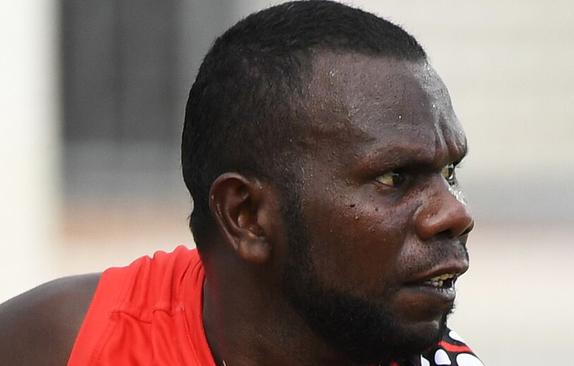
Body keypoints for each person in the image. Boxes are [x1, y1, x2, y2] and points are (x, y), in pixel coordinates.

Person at [0, 1, 483, 365]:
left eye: (448, 173)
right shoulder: (67, 344)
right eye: (394, 178)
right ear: (246, 215)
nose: (455, 214)